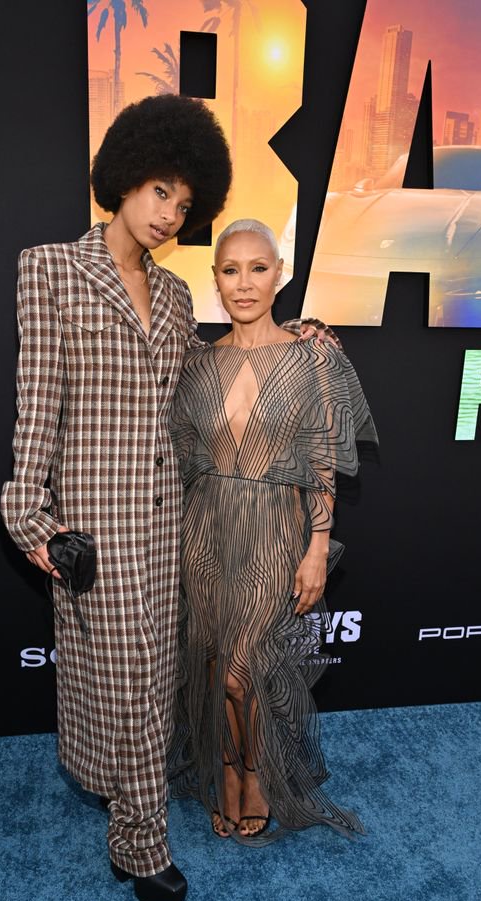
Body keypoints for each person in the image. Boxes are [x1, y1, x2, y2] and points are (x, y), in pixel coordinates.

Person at [0, 95, 233, 901]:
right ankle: (140, 843)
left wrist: (283, 337)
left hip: (166, 513)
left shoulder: (173, 299)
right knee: (122, 671)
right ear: (126, 176)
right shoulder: (51, 268)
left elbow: (202, 382)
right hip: (90, 521)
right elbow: (39, 399)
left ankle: (126, 802)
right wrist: (30, 515)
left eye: (185, 201)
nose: (171, 213)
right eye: (162, 190)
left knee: (144, 678)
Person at [168, 219, 378, 844]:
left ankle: (254, 773)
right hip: (204, 526)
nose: (244, 283)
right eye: (230, 270)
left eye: (258, 268)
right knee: (211, 667)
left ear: (280, 273)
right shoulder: (197, 362)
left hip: (273, 528)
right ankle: (222, 767)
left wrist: (318, 547)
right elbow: (176, 453)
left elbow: (322, 461)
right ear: (215, 280)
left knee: (243, 672)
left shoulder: (312, 355)